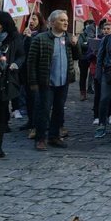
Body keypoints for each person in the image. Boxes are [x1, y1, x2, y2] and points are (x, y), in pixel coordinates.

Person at [28, 10, 81, 151]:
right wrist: (33, 82)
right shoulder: (40, 38)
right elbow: (31, 63)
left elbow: (77, 57)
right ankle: (40, 139)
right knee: (43, 111)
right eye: (62, 20)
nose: (66, 23)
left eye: (67, 20)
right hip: (46, 82)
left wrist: (76, 44)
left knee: (59, 110)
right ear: (52, 23)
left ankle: (54, 136)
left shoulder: (69, 38)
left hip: (63, 82)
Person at [0, 12, 25, 158]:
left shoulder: (15, 38)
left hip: (6, 80)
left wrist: (16, 64)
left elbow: (22, 55)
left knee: (2, 114)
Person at [19, 12, 47, 139]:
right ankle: (30, 121)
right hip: (25, 72)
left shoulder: (42, 35)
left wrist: (29, 38)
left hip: (36, 72)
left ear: (40, 21)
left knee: (36, 100)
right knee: (28, 99)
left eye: (34, 19)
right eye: (30, 19)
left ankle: (37, 125)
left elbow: (34, 53)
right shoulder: (24, 34)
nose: (31, 22)